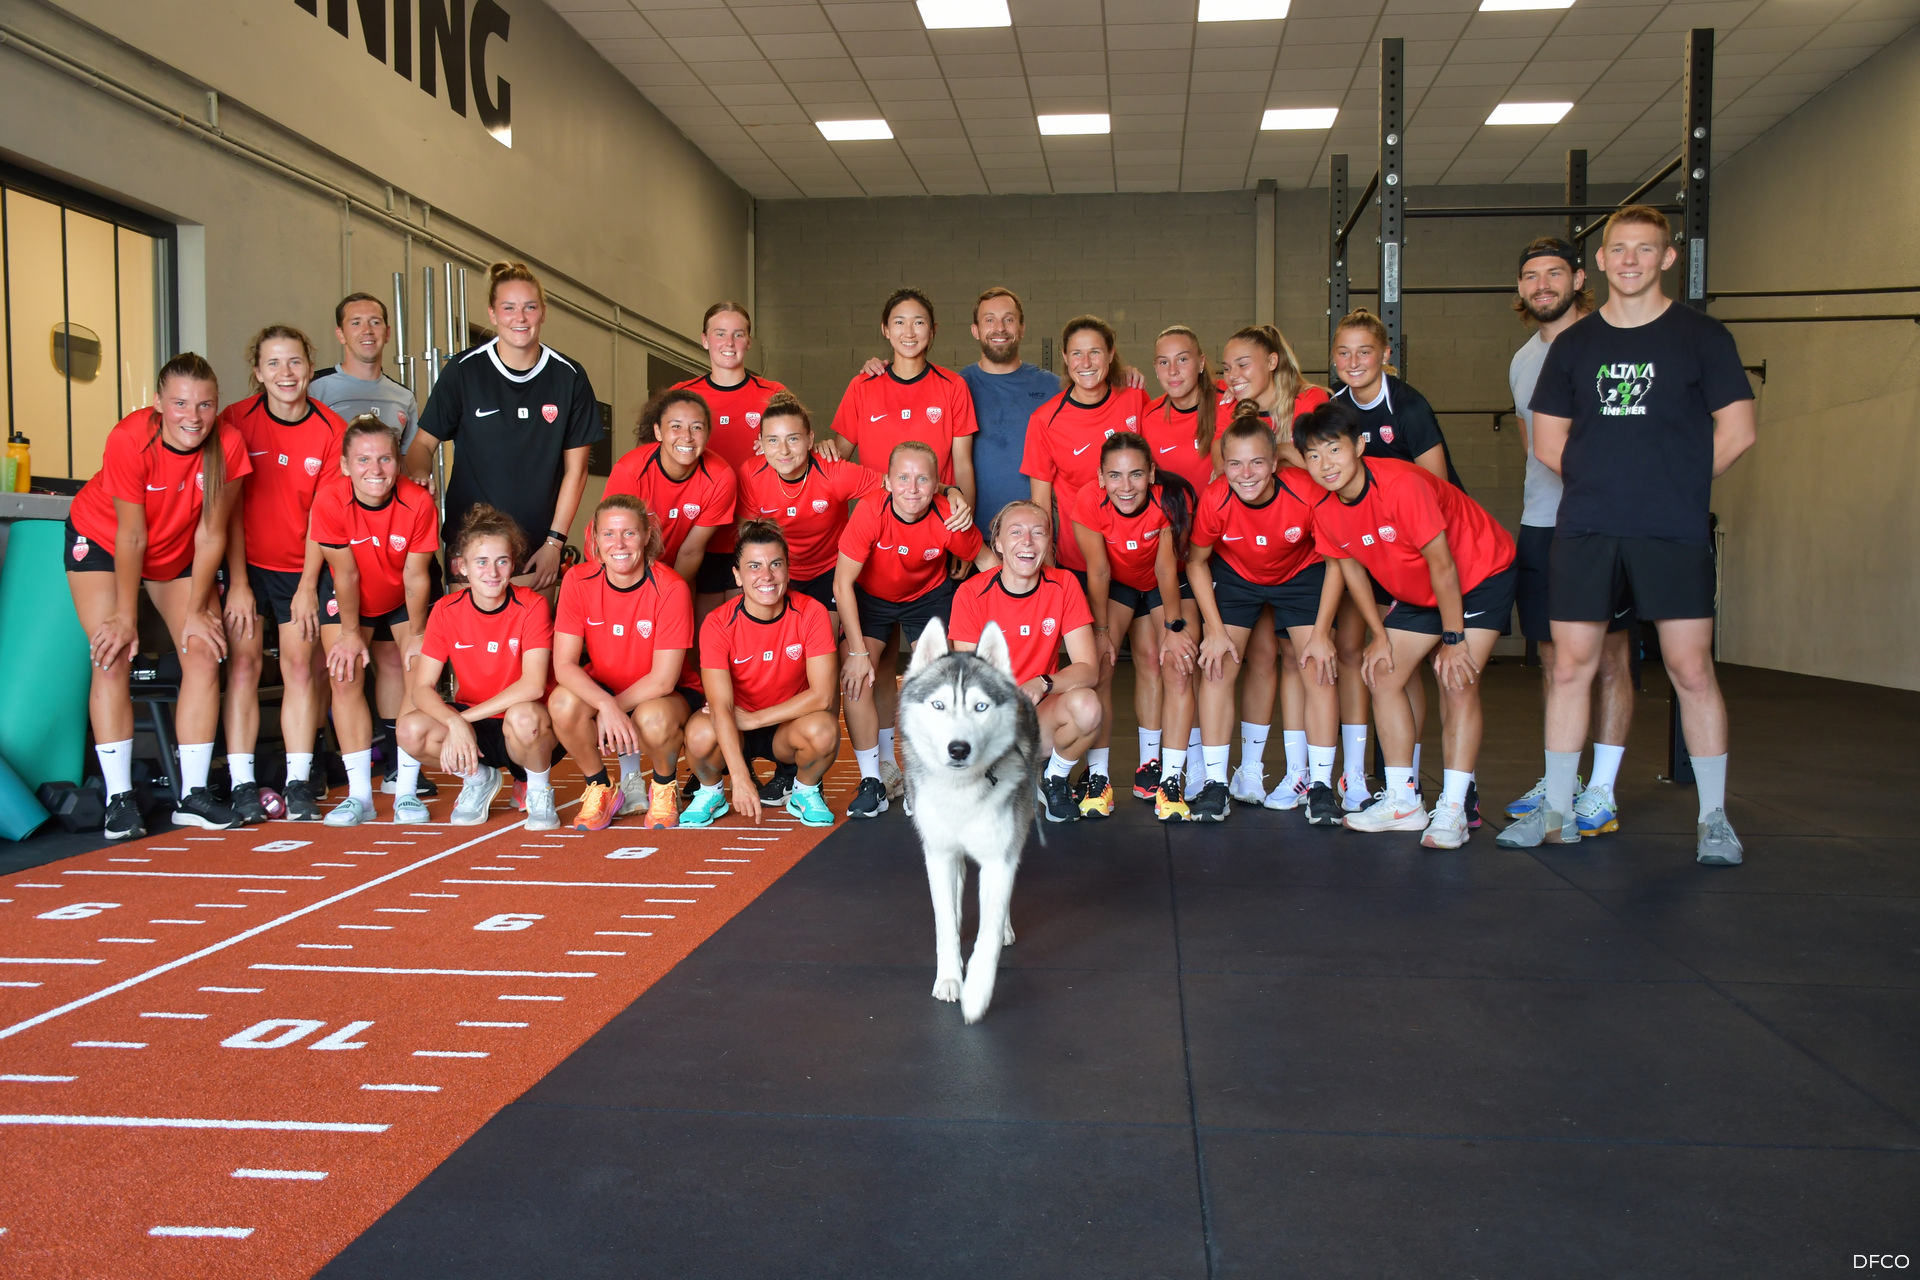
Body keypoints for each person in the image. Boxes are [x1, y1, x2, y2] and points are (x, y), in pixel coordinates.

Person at [1499, 205, 1756, 865]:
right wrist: (1606, 485)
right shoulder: (1574, 347)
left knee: (1690, 668)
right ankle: (1557, 809)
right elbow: (1550, 441)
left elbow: (1738, 429)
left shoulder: (1702, 337)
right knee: (1569, 668)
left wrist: (1676, 487)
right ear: (1604, 262)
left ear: (1668, 258)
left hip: (1670, 527)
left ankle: (1714, 819)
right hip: (1586, 527)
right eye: (1621, 249)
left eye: (1646, 249)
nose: (1633, 260)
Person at [1296, 401, 1518, 850]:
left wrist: (1454, 639)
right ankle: (1402, 800)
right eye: (1314, 456)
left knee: (1456, 680)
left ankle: (1453, 808)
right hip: (1420, 588)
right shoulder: (1325, 506)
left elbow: (1444, 566)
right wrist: (1380, 636)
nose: (1325, 465)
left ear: (1359, 446)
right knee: (1382, 672)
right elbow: (1352, 571)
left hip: (1477, 573)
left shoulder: (1401, 485)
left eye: (1334, 450)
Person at [65, 353, 251, 838]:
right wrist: (126, 616)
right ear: (158, 404)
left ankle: (192, 795)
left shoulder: (227, 444)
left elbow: (213, 534)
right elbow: (131, 536)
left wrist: (194, 612)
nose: (193, 416)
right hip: (106, 540)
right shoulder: (131, 438)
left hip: (177, 551)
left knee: (204, 652)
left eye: (205, 404)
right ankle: (118, 799)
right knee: (111, 654)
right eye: (181, 404)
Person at [1503, 237, 1635, 837]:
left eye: (1555, 273)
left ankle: (1601, 791)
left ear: (1581, 278)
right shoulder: (1523, 360)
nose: (1543, 285)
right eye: (1532, 277)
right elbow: (1538, 450)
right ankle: (1564, 782)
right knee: (1554, 661)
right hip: (1542, 522)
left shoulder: (1613, 344)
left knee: (1609, 658)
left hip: (1605, 525)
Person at [1324, 311, 1459, 814]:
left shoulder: (1409, 406)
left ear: (1385, 354)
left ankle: (1411, 779)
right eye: (1344, 352)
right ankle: (1369, 777)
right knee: (1364, 657)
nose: (1353, 361)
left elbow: (1436, 489)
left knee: (1407, 667)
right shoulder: (1335, 408)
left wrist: (1403, 564)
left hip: (1420, 547)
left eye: (1365, 351)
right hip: (1373, 547)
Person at [1186, 408, 1343, 826]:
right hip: (1238, 573)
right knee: (1217, 665)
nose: (1246, 473)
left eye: (1257, 462)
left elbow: (1336, 561)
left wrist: (1323, 632)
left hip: (1300, 572)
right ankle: (1216, 784)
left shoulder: (1305, 491)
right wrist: (1215, 631)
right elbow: (1196, 563)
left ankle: (1321, 786)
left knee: (1317, 666)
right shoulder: (1216, 498)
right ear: (1224, 466)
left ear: (1275, 463)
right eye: (1235, 463)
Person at [1021, 315, 1151, 814]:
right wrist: (1049, 574)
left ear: (1112, 354)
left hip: (1138, 557)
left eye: (1096, 352)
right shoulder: (1047, 419)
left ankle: (1154, 765)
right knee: (1092, 672)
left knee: (1152, 663)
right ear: (1065, 361)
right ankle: (1094, 778)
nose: (1086, 363)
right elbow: (1040, 503)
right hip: (1079, 565)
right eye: (1076, 353)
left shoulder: (1135, 401)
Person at [217, 324, 347, 823]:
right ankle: (243, 783)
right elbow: (225, 511)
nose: (285, 373)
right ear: (257, 372)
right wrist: (239, 584)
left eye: (294, 362)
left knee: (299, 669)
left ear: (309, 367)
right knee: (245, 667)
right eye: (273, 363)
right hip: (246, 564)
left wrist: (309, 587)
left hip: (301, 569)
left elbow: (324, 517)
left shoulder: (331, 429)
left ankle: (298, 782)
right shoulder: (235, 422)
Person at [406, 261, 602, 589]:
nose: (520, 317)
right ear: (493, 314)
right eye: (508, 308)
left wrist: (554, 543)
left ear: (543, 312)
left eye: (530, 307)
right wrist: (419, 477)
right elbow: (422, 445)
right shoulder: (464, 370)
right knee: (469, 638)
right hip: (471, 545)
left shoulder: (569, 376)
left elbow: (577, 471)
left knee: (531, 638)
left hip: (536, 546)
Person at [834, 441, 994, 819]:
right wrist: (856, 654)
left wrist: (1023, 611)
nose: (912, 487)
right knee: (858, 679)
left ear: (938, 484)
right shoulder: (871, 511)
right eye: (903, 478)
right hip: (871, 597)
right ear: (887, 482)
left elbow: (990, 566)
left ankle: (925, 776)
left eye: (923, 479)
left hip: (927, 598)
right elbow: (842, 585)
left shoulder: (948, 517)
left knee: (937, 683)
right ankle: (874, 779)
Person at [1213, 325, 1333, 810]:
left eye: (1243, 364)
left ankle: (1304, 774)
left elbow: (1325, 469)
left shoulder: (1311, 401)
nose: (1232, 376)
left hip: (1304, 552)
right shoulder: (1228, 406)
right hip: (1244, 552)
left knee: (1299, 659)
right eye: (1227, 367)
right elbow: (1232, 468)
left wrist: (1281, 453)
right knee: (1258, 657)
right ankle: (1250, 770)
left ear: (1273, 362)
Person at [401, 505, 562, 830]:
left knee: (523, 717)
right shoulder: (446, 610)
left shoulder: (531, 605)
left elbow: (532, 686)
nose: (492, 571)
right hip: (476, 723)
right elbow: (421, 688)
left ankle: (538, 789)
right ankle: (478, 777)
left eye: (502, 561)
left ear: (512, 564)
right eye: (481, 562)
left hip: (528, 728)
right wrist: (454, 722)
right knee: (410, 730)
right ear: (462, 567)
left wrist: (460, 721)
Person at [311, 416, 437, 825]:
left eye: (384, 459)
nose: (375, 470)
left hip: (402, 594)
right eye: (363, 460)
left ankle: (405, 791)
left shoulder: (417, 501)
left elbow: (416, 575)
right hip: (353, 596)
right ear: (345, 465)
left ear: (397, 462)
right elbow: (344, 574)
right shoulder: (330, 499)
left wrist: (417, 636)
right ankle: (360, 795)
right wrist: (350, 634)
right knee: (344, 674)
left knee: (416, 669)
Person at [1071, 433, 1202, 820]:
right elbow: (1098, 570)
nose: (1125, 486)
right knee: (1100, 665)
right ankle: (1099, 779)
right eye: (1114, 475)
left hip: (1165, 583)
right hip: (1118, 584)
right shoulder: (1087, 501)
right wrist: (1101, 630)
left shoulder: (1170, 499)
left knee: (1175, 663)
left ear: (1152, 474)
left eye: (1135, 475)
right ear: (1100, 477)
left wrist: (1175, 627)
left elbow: (1165, 568)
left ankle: (1167, 777)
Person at [548, 494, 698, 832]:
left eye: (629, 533)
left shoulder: (671, 588)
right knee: (562, 702)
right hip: (607, 687)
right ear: (595, 540)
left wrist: (611, 707)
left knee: (653, 718)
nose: (619, 544)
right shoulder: (577, 580)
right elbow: (564, 666)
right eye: (609, 534)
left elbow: (663, 680)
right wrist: (605, 704)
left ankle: (663, 786)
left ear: (646, 535)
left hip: (664, 694)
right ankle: (600, 786)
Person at [949, 500, 1103, 824]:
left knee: (1088, 706)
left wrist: (1042, 683)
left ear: (1049, 543)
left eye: (1038, 533)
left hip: (1038, 715)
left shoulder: (1064, 586)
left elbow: (1088, 669)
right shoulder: (971, 593)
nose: (1028, 542)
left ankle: (1054, 778)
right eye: (1016, 532)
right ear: (1000, 544)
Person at [682, 521, 841, 828]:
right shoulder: (717, 623)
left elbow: (822, 695)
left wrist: (756, 718)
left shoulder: (812, 612)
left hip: (785, 725)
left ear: (788, 570)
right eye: (754, 566)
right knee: (700, 735)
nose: (766, 576)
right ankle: (710, 791)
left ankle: (804, 791)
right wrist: (740, 779)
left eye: (775, 564)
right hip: (733, 724)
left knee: (824, 730)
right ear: (738, 575)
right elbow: (720, 706)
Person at [827, 288, 979, 508]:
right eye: (899, 322)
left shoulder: (953, 386)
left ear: (933, 330)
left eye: (918, 323)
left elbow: (963, 466)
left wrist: (967, 524)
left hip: (937, 519)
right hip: (878, 521)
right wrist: (822, 450)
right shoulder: (861, 387)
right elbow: (838, 462)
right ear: (885, 329)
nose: (909, 333)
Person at [602, 388, 739, 620]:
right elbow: (614, 541)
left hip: (673, 566)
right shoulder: (630, 470)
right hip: (618, 561)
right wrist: (637, 594)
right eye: (676, 426)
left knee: (676, 610)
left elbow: (691, 551)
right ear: (658, 431)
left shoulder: (721, 477)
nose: (687, 436)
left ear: (707, 434)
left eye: (697, 427)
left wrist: (665, 596)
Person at [957, 288, 1064, 523]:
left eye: (1009, 319)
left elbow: (1096, 399)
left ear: (1022, 328)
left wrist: (1121, 377)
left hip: (1038, 535)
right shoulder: (957, 387)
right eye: (989, 320)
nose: (1000, 328)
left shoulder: (1052, 387)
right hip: (975, 534)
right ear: (975, 330)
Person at [669, 302, 786, 472]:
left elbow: (799, 445)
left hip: (758, 497)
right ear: (705, 340)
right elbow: (654, 454)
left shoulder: (774, 394)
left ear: (748, 342)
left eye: (738, 335)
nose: (729, 342)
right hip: (702, 498)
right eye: (720, 334)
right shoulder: (680, 396)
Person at [309, 293, 419, 451]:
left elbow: (407, 464)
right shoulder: (314, 389)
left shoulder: (404, 398)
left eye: (375, 322)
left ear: (387, 333)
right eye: (356, 323)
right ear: (341, 334)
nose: (367, 330)